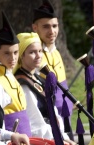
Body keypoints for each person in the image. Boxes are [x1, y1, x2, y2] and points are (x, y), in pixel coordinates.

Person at [0, 12, 33, 137]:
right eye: (7, 53)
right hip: (11, 144)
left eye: (16, 52)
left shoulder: (9, 74)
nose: (13, 58)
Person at [32, 0, 72, 136]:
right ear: (35, 28)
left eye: (55, 26)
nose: (52, 31)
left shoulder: (56, 52)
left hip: (66, 116)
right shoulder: (33, 56)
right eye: (46, 27)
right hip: (50, 119)